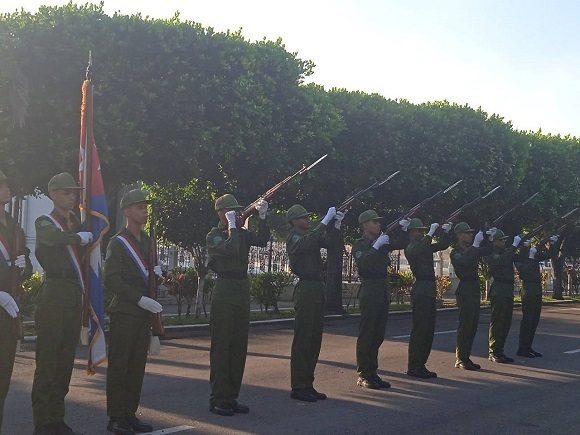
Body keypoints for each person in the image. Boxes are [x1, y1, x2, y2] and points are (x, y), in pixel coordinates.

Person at [31, 172, 93, 435]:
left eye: (73, 192)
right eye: (66, 192)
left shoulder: (78, 223)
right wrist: (78, 238)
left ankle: (56, 417)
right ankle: (43, 421)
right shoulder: (45, 222)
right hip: (53, 297)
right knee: (48, 363)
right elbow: (54, 240)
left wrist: (83, 232)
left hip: (72, 297)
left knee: (65, 363)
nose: (71, 196)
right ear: (53, 194)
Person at [104, 189, 163, 435]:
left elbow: (149, 278)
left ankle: (130, 413)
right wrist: (138, 299)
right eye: (139, 207)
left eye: (145, 207)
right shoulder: (117, 243)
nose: (144, 211)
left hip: (143, 313)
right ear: (127, 211)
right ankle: (116, 416)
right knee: (120, 365)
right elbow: (112, 280)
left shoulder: (148, 241)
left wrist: (158, 277)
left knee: (137, 365)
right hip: (126, 312)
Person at [206, 194, 270, 416]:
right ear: (221, 214)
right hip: (224, 290)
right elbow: (231, 250)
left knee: (238, 347)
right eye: (230, 211)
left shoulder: (241, 234)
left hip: (241, 290)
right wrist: (233, 226)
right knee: (222, 347)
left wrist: (262, 216)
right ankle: (218, 398)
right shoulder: (214, 236)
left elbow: (262, 240)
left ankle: (231, 396)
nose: (237, 213)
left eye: (237, 210)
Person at [286, 204, 344, 402]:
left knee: (314, 339)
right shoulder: (293, 238)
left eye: (307, 216)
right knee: (303, 340)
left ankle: (308, 383)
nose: (307, 219)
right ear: (294, 221)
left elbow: (331, 243)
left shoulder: (310, 235)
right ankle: (298, 386)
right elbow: (308, 244)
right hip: (306, 288)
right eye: (302, 217)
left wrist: (335, 225)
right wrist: (324, 221)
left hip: (317, 287)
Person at [352, 210, 405, 389]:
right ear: (365, 225)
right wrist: (375, 247)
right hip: (370, 290)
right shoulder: (360, 245)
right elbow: (364, 264)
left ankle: (373, 372)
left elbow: (401, 244)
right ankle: (363, 374)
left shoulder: (381, 242)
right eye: (374, 222)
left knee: (378, 335)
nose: (378, 224)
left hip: (382, 291)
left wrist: (404, 230)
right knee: (367, 335)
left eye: (378, 222)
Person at [0, 170, 32, 431]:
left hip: (8, 314)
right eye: (1, 185)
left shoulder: (14, 226)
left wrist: (25, 264)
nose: (6, 189)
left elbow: (27, 264)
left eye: (8, 184)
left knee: (2, 380)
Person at [400, 217, 452, 379]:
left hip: (429, 289)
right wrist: (430, 233)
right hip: (421, 289)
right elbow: (418, 250)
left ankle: (421, 364)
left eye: (423, 231)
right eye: (419, 230)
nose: (422, 233)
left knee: (428, 330)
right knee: (420, 330)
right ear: (411, 232)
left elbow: (442, 245)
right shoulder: (410, 247)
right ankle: (414, 365)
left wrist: (446, 232)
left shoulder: (424, 246)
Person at [449, 222, 485, 370]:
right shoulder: (455, 252)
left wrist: (487, 237)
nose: (471, 235)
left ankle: (466, 356)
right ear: (458, 235)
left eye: (472, 233)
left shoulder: (470, 249)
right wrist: (476, 245)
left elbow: (486, 251)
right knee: (465, 326)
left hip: (474, 289)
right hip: (465, 289)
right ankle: (460, 358)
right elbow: (466, 262)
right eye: (467, 232)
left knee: (472, 326)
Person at [483, 228, 522, 363]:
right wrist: (514, 245)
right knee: (498, 322)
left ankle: (500, 350)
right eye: (501, 240)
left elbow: (518, 257)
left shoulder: (505, 252)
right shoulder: (492, 255)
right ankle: (493, 351)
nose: (504, 242)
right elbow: (503, 260)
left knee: (506, 322)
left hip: (507, 289)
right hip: (499, 289)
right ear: (493, 242)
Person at [514, 237, 557, 358]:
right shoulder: (519, 258)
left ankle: (528, 346)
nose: (528, 245)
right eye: (525, 243)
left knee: (534, 320)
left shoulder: (533, 256)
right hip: (528, 289)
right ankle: (522, 348)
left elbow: (549, 254)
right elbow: (525, 270)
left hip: (536, 289)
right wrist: (531, 256)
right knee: (528, 320)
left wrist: (551, 243)